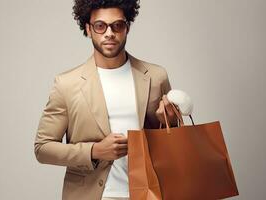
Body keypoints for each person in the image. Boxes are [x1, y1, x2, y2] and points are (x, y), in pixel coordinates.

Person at [34, 0, 178, 199]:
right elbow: (43, 148)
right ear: (88, 28)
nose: (109, 33)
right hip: (92, 194)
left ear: (127, 27)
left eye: (117, 25)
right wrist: (95, 151)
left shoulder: (155, 76)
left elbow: (173, 145)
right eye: (100, 26)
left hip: (149, 193)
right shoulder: (67, 84)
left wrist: (169, 122)